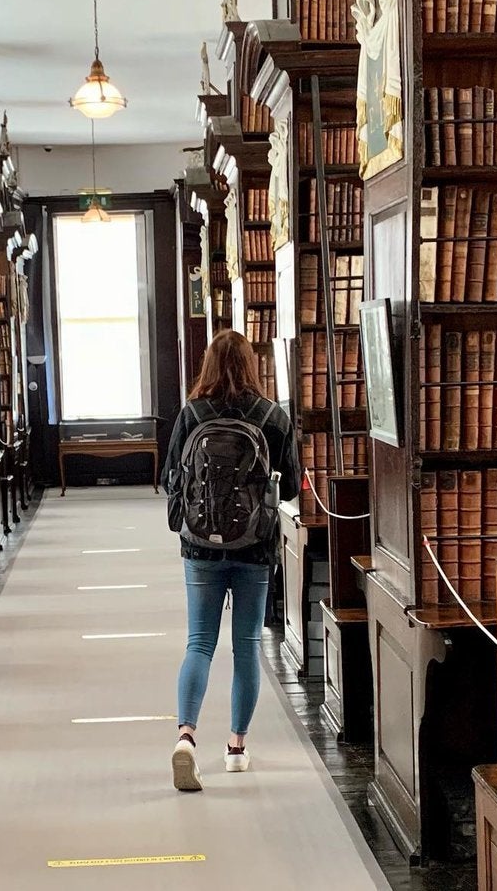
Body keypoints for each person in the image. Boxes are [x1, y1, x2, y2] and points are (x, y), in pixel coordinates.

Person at [161, 329, 296, 792]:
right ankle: (236, 747)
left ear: (208, 366)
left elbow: (169, 478)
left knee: (199, 642)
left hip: (199, 546)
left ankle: (186, 736)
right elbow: (293, 486)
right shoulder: (272, 416)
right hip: (255, 547)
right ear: (251, 364)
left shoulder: (191, 412)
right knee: (246, 647)